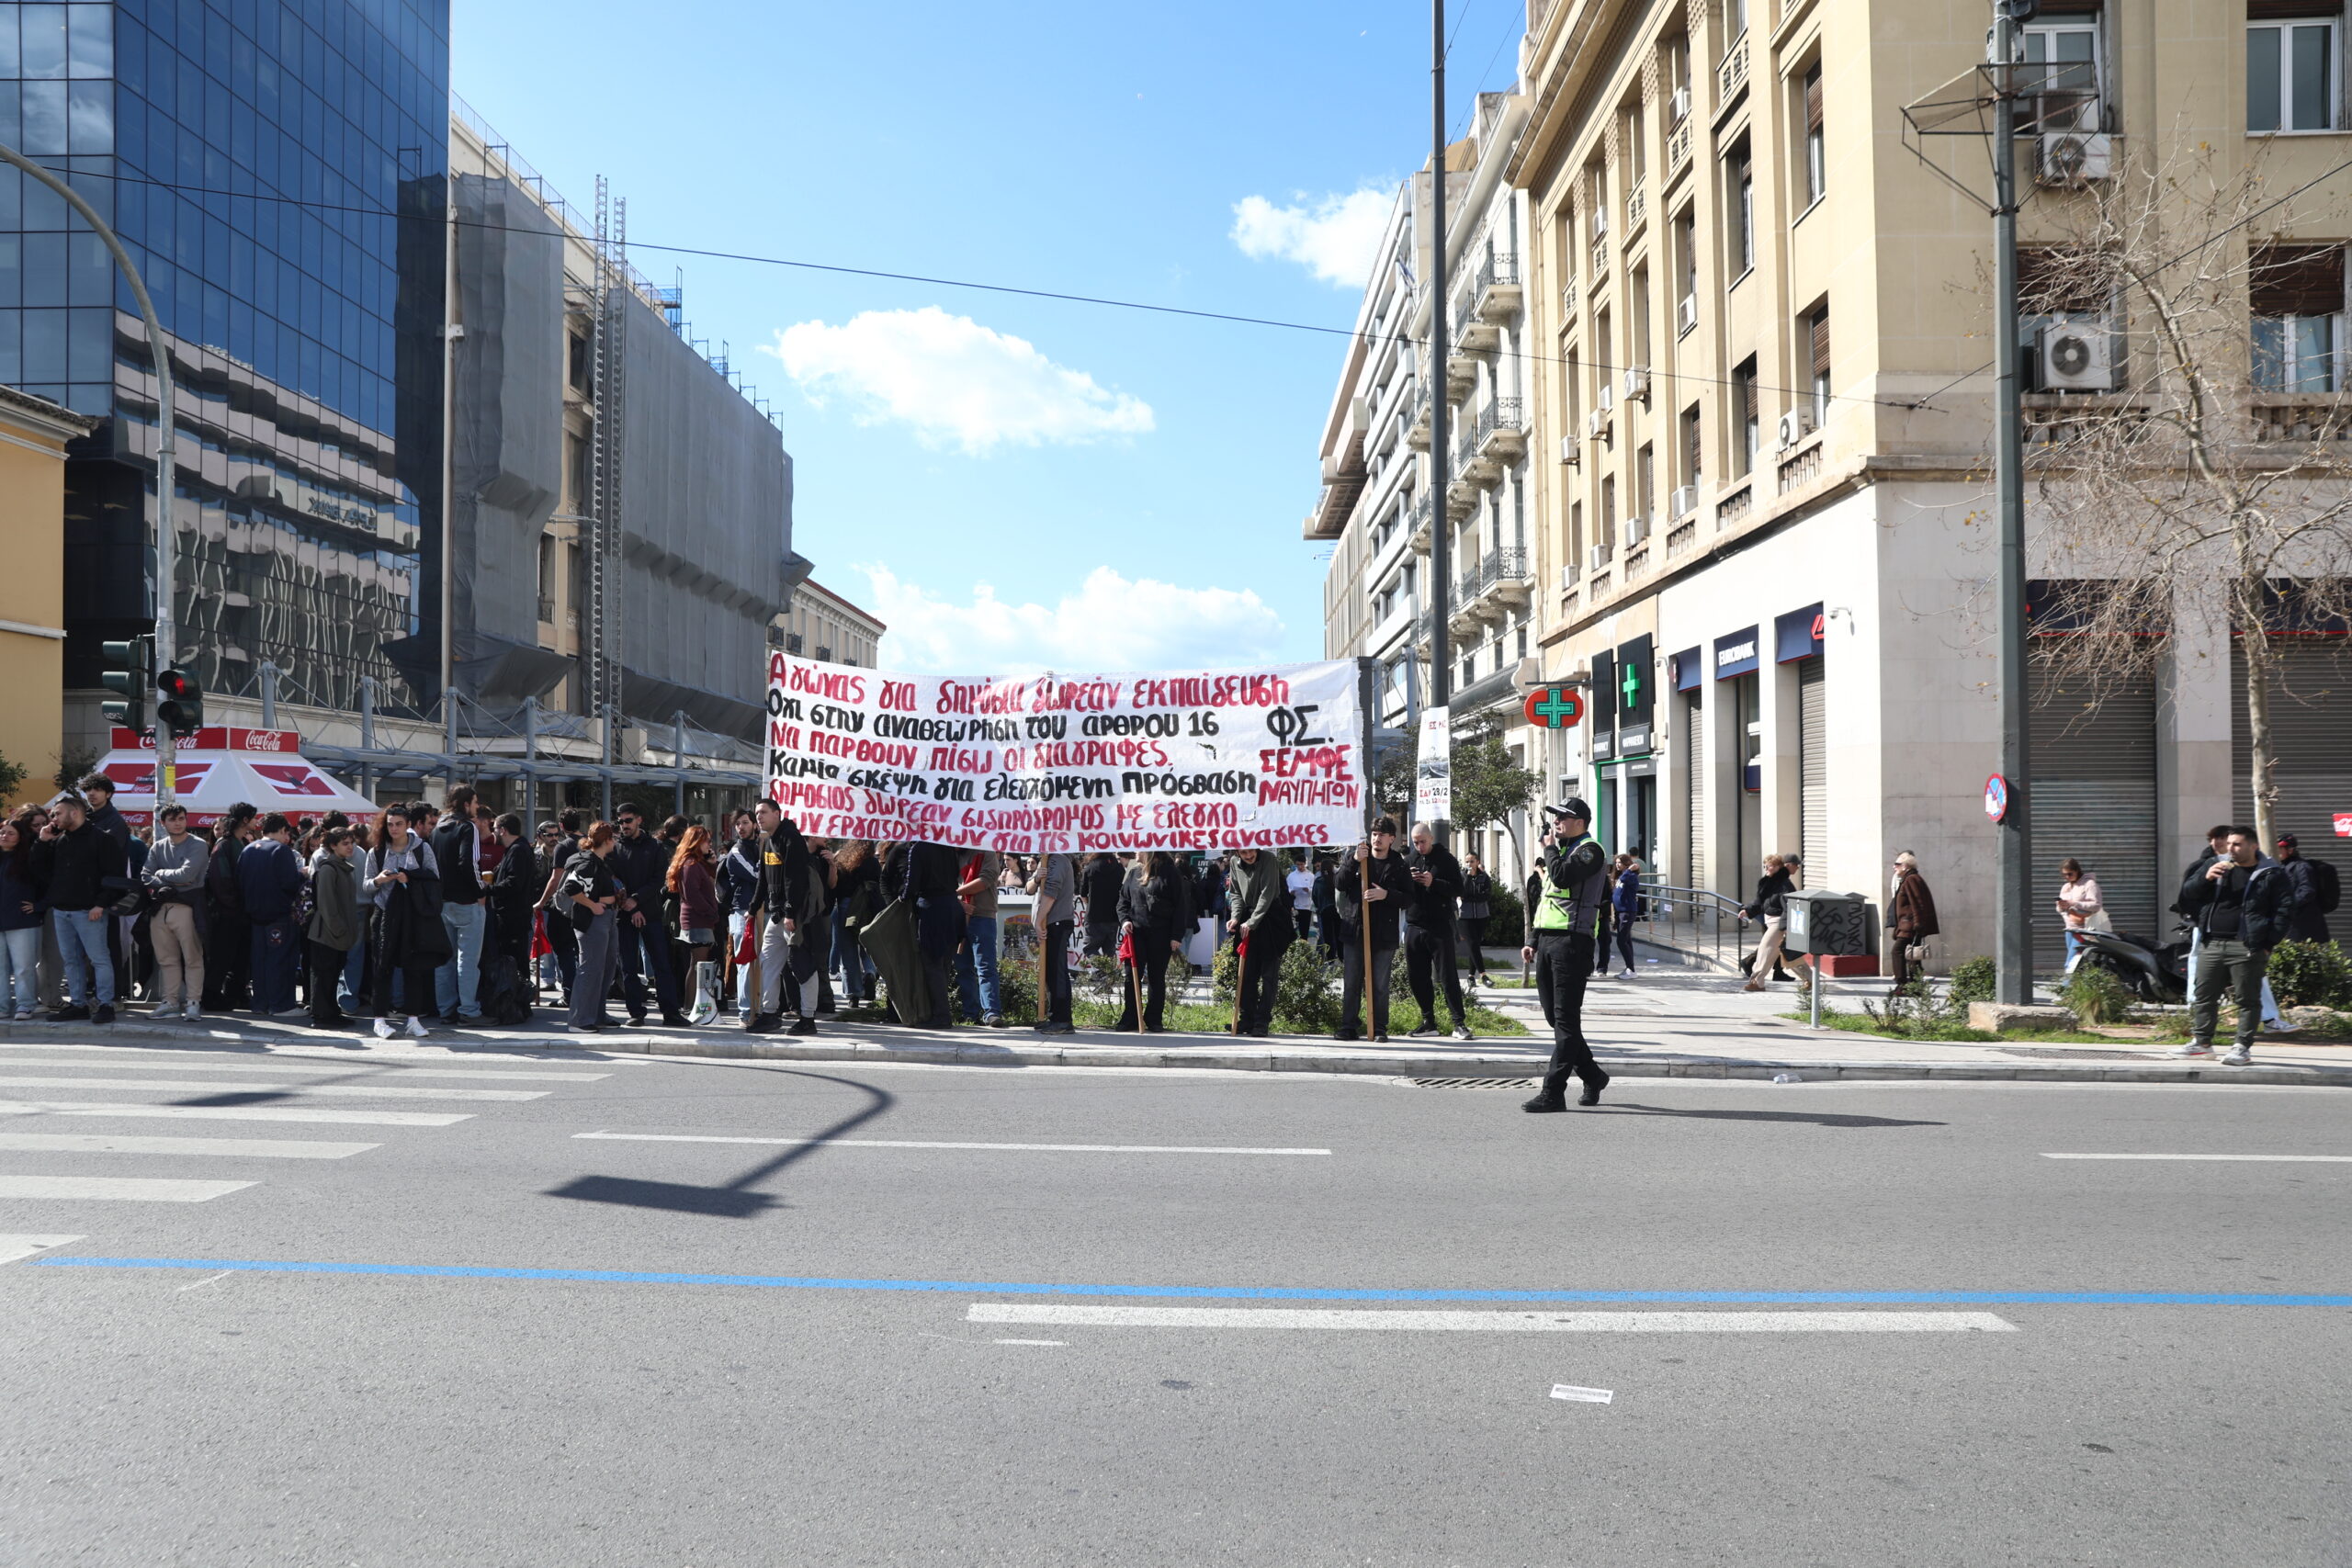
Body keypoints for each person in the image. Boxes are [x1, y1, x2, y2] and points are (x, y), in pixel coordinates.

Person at [2175, 827, 2295, 1066]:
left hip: (2246, 945)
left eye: (2237, 844)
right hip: (2211, 942)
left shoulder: (2270, 873)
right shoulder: (2214, 864)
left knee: (2247, 999)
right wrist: (2205, 877)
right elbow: (2186, 896)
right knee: (2203, 996)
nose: (2230, 849)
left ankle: (2242, 1047)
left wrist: (2268, 942)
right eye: (2229, 844)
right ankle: (2202, 1043)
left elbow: (2285, 909)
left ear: (2253, 846)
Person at [1520, 799, 1612, 1111]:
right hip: (1548, 941)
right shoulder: (1564, 852)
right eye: (1555, 817)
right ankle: (1593, 1075)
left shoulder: (1591, 850)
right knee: (1555, 1018)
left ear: (1580, 822)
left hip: (1572, 944)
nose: (1556, 821)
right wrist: (1533, 938)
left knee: (1566, 1021)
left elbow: (1559, 877)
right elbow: (1548, 898)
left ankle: (1553, 1092)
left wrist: (1548, 849)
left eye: (1563, 817)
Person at [34, 794, 126, 1024]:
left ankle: (106, 1004)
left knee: (99, 959)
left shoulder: (102, 839)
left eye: (57, 813)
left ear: (74, 813)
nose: (53, 818)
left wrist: (101, 904)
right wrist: (42, 842)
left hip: (90, 911)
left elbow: (115, 876)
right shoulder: (59, 839)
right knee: (71, 961)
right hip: (61, 910)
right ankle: (78, 1004)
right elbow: (39, 871)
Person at [363, 806, 447, 1040]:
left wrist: (409, 877)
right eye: (390, 824)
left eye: (399, 824)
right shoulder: (377, 851)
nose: (394, 829)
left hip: (413, 914)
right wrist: (379, 880)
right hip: (384, 914)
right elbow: (366, 886)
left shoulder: (422, 848)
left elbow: (434, 879)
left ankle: (413, 1019)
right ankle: (379, 1020)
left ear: (408, 824)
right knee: (382, 967)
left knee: (414, 967)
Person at [751, 807, 834, 1037]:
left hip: (795, 916)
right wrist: (753, 908)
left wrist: (790, 912)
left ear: (778, 814)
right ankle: (769, 1014)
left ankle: (808, 1019)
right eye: (757, 813)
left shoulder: (792, 839)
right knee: (768, 962)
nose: (759, 816)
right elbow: (764, 879)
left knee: (803, 966)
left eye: (764, 812)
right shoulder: (768, 842)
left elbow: (794, 879)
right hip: (777, 915)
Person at [1333, 819, 1415, 1043]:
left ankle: (1378, 1027)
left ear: (1392, 839)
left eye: (1382, 835)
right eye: (1374, 834)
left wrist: (1386, 895)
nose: (1377, 838)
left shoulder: (1399, 865)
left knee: (1379, 984)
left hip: (1383, 935)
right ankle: (1348, 1026)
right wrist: (1354, 861)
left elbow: (1409, 898)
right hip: (1354, 931)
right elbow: (1339, 883)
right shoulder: (1358, 858)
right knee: (1351, 982)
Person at [609, 804, 688, 1028]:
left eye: (628, 820)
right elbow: (613, 879)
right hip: (625, 914)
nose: (624, 825)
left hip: (651, 913)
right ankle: (636, 1011)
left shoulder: (654, 846)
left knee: (661, 964)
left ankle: (671, 1012)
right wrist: (631, 906)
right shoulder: (615, 847)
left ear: (639, 820)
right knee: (628, 967)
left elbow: (658, 879)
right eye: (621, 821)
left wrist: (637, 900)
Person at [1401, 822, 1471, 1041]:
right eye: (1415, 842)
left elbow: (1459, 889)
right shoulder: (1409, 860)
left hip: (1440, 926)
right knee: (1417, 976)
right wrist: (1409, 880)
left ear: (1431, 839)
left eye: (1423, 841)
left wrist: (1434, 882)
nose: (1419, 846)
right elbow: (1401, 891)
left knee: (1447, 975)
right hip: (1414, 924)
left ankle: (1459, 1023)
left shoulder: (1446, 860)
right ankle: (1428, 1021)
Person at [141, 804, 209, 1021]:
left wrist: (160, 874)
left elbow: (187, 875)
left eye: (180, 818)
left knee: (193, 958)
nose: (177, 823)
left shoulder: (198, 844)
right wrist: (167, 880)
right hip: (160, 908)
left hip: (187, 907)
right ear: (163, 823)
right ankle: (170, 1001)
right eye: (172, 819)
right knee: (166, 959)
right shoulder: (157, 846)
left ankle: (193, 1003)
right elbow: (144, 875)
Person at [1114, 851, 1193, 1032]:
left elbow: (1181, 906)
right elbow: (1123, 901)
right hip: (1136, 933)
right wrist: (1125, 920)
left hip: (1162, 933)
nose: (1135, 851)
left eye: (1139, 847)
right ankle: (1131, 1018)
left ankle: (1154, 1019)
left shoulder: (1170, 872)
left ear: (1150, 851)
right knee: (1131, 976)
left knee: (1156, 977)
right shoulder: (1134, 872)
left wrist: (1176, 936)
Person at [429, 785, 488, 1026]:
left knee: (445, 960)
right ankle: (469, 1010)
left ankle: (446, 1010)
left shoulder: (437, 830)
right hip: (465, 901)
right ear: (466, 804)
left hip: (442, 901)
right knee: (467, 960)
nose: (476, 807)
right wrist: (481, 889)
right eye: (474, 802)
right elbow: (469, 863)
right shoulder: (467, 827)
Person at [237, 812, 305, 1018]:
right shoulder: (281, 850)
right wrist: (301, 876)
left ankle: (261, 1003)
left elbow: (239, 880)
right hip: (278, 915)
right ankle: (281, 1005)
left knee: (259, 962)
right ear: (284, 830)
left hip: (254, 916)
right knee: (280, 961)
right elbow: (289, 883)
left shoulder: (248, 849)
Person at [559, 822, 623, 1032]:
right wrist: (593, 905)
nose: (616, 841)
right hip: (593, 919)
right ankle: (579, 1020)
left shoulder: (598, 860)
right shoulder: (587, 861)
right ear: (606, 840)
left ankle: (596, 1014)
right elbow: (571, 888)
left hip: (606, 917)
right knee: (591, 969)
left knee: (605, 968)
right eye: (613, 837)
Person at [1225, 843, 1295, 1038]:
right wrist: (1236, 917)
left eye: (1251, 851)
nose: (1248, 856)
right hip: (1247, 921)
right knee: (1246, 975)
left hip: (1270, 920)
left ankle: (1262, 1021)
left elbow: (1268, 893)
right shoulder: (1234, 862)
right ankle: (1247, 1018)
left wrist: (1252, 922)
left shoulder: (1269, 859)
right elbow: (1236, 894)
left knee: (1268, 976)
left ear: (1257, 849)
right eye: (1243, 852)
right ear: (1237, 852)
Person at [305, 827, 362, 1030]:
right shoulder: (328, 869)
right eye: (345, 843)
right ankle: (321, 1015)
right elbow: (328, 905)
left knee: (332, 975)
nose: (350, 847)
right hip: (326, 935)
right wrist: (340, 930)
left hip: (337, 934)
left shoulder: (342, 867)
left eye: (351, 843)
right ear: (333, 846)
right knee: (324, 976)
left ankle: (331, 1012)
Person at [201, 802, 256, 1012]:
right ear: (245, 820)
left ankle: (234, 995)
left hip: (238, 912)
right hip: (227, 914)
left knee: (239, 958)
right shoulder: (224, 845)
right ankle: (211, 996)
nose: (255, 821)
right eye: (253, 817)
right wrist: (235, 906)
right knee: (222, 958)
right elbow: (220, 881)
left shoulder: (238, 842)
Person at [485, 813, 540, 1003]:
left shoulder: (518, 850)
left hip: (514, 917)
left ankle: (520, 1002)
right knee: (514, 959)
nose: (493, 834)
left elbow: (514, 883)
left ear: (503, 830)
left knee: (516, 960)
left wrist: (489, 889)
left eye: (494, 830)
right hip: (511, 915)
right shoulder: (515, 849)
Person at [668, 823, 720, 1013]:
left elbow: (707, 884)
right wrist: (710, 912)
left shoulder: (695, 863)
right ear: (697, 842)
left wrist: (711, 864)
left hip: (699, 918)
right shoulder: (690, 864)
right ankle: (690, 1005)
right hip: (697, 919)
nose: (710, 844)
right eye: (706, 840)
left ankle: (692, 1005)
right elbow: (692, 894)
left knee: (698, 963)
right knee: (698, 963)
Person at [536, 810, 586, 1005]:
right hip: (588, 905)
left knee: (564, 951)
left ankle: (570, 993)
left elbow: (555, 879)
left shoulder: (563, 847)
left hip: (565, 907)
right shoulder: (589, 843)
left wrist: (541, 902)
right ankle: (582, 993)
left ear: (562, 826)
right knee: (582, 952)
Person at [1026, 851, 1077, 1033]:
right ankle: (1055, 1015)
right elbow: (1028, 889)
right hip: (1050, 922)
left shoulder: (1057, 860)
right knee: (1049, 973)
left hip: (1057, 922)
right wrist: (1037, 878)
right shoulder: (1045, 861)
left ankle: (1063, 1020)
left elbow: (1051, 892)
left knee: (1057, 973)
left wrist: (1040, 921)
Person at [829, 840, 882, 1007]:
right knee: (869, 946)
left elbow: (834, 887)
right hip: (868, 908)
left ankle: (854, 995)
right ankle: (870, 972)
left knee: (848, 951)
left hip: (845, 908)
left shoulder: (842, 860)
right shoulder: (873, 862)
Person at [0, 818, 43, 1021]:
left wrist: (39, 906)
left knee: (24, 967)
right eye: (2, 832)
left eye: (10, 833)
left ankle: (25, 1005)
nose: (4, 836)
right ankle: (2, 1006)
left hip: (22, 921)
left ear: (20, 838)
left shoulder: (29, 859)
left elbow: (46, 883)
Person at [956, 848, 1004, 1026]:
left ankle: (991, 1012)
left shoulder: (986, 853)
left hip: (983, 916)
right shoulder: (952, 855)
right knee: (963, 968)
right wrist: (959, 902)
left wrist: (956, 893)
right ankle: (970, 1013)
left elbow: (985, 880)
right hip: (959, 916)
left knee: (985, 966)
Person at [1738, 852, 1795, 991]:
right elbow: (1759, 901)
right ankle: (1810, 979)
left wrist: (1786, 925)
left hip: (1779, 922)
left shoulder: (1785, 885)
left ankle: (1757, 983)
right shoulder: (1767, 882)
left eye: (1769, 866)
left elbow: (1790, 906)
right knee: (1790, 956)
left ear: (1777, 867)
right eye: (1765, 866)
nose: (1766, 869)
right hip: (1769, 921)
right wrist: (1748, 910)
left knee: (1765, 950)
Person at [1888, 852, 1940, 987]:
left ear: (1905, 866)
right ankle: (1915, 985)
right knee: (1912, 956)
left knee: (1898, 951)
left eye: (1897, 864)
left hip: (1910, 925)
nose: (1894, 867)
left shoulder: (1911, 879)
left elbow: (1918, 903)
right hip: (1908, 924)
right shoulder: (1910, 878)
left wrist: (1918, 924)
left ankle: (1902, 984)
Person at [2274, 834, 2336, 945]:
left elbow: (2307, 891)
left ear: (2290, 850)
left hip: (2304, 923)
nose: (2277, 851)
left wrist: (2289, 903)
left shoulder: (2302, 867)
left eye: (2280, 848)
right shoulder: (2282, 866)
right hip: (2290, 921)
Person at [2054, 858, 2108, 968]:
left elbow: (2096, 905)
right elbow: (2059, 910)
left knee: (2070, 964)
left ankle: (2066, 985)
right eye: (2064, 875)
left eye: (2070, 874)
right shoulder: (2066, 887)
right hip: (2070, 929)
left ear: (2077, 870)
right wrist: (2062, 907)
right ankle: (2079, 984)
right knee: (2076, 963)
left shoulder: (2089, 884)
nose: (2067, 877)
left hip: (2085, 930)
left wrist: (2074, 903)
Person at [1458, 852, 1494, 984]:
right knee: (1472, 944)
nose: (1469, 864)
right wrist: (1467, 877)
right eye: (1467, 861)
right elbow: (1462, 892)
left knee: (1475, 945)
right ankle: (1483, 975)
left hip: (1481, 916)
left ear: (1477, 862)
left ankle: (1470, 976)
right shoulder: (1462, 876)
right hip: (1465, 917)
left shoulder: (1484, 877)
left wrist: (1470, 898)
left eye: (1472, 861)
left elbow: (1486, 895)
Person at [1080, 852, 1125, 958]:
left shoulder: (1089, 868)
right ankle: (1108, 974)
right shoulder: (1119, 868)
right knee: (1109, 951)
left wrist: (1089, 904)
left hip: (1094, 916)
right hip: (1113, 917)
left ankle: (1101, 973)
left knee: (1090, 948)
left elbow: (1083, 894)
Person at [1611, 852, 1645, 979]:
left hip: (1627, 911)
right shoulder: (1620, 876)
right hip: (1620, 912)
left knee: (1621, 940)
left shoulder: (1630, 876)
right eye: (1616, 863)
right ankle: (1630, 968)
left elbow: (1625, 880)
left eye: (1620, 862)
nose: (1617, 865)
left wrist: (1630, 869)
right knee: (1626, 940)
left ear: (1626, 864)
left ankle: (1631, 969)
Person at [1285, 852, 1317, 944]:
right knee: (1295, 928)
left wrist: (1308, 890)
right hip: (1295, 905)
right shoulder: (1291, 876)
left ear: (1305, 864)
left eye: (1302, 864)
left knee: (1305, 929)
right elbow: (1288, 889)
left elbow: (1314, 890)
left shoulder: (1311, 876)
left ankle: (1304, 945)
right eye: (1298, 864)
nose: (1300, 867)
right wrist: (1291, 892)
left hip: (1307, 905)